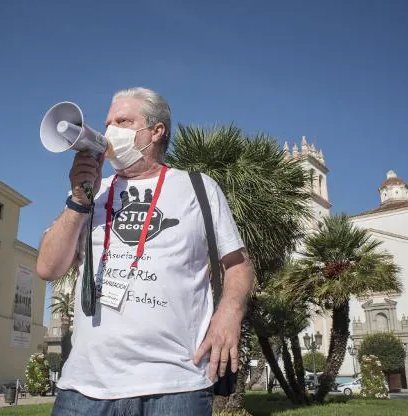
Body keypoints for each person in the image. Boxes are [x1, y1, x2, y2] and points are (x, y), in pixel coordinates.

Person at [36, 87, 255, 415]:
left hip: (176, 385)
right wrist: (78, 200)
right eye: (108, 122)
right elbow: (47, 267)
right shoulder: (94, 192)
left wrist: (230, 314)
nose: (110, 131)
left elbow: (239, 265)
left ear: (156, 131)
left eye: (123, 121)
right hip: (84, 387)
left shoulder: (198, 187)